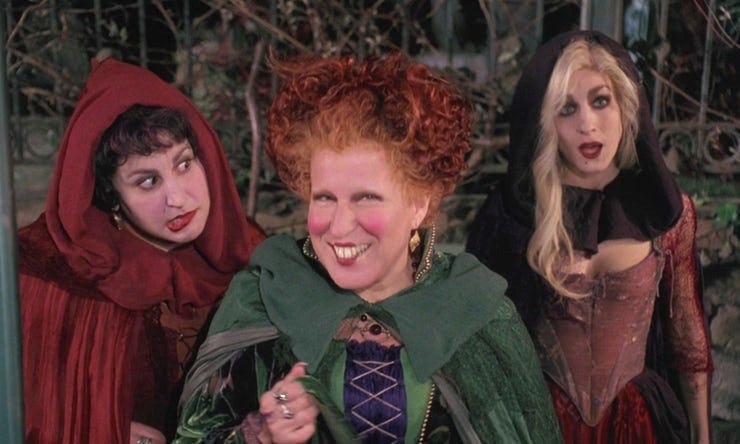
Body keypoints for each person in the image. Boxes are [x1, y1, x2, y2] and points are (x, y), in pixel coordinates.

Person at [175, 51, 562, 443]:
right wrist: (259, 435)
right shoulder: (265, 295)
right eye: (324, 198)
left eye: (366, 199)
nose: (340, 226)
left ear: (419, 204)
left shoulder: (477, 310)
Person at [466, 30, 713, 443]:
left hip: (638, 425)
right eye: (567, 109)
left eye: (600, 101)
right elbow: (478, 341)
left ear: (625, 107)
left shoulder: (665, 212)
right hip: (540, 425)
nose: (587, 125)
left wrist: (703, 436)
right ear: (547, 123)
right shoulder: (515, 212)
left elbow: (687, 338)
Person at [18, 56, 265, 444]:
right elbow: (35, 409)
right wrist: (106, 432)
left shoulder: (247, 248)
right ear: (112, 196)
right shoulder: (53, 271)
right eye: (148, 181)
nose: (178, 198)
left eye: (184, 164)